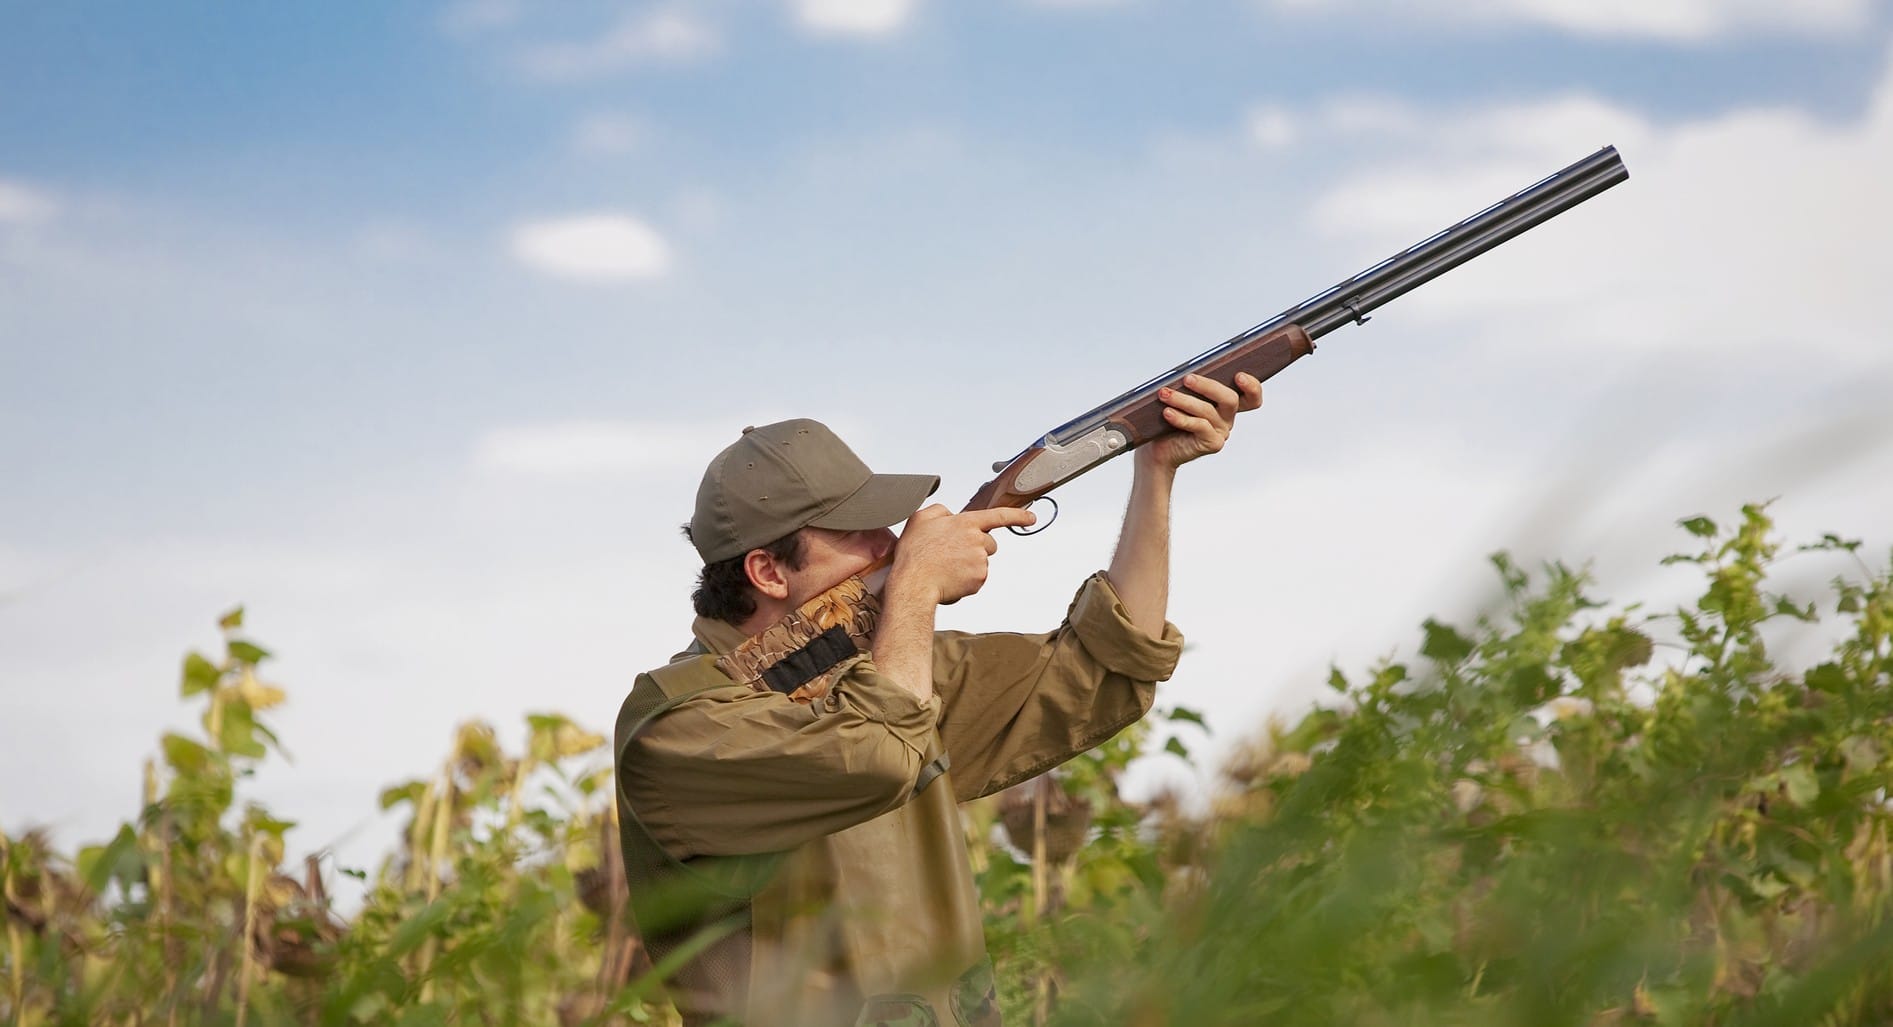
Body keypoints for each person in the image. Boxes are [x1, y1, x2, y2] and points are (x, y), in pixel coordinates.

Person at [613, 372, 1264, 1026]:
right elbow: (878, 751)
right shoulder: (677, 727)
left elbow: (1107, 668)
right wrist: (917, 589)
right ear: (767, 572)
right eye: (856, 531)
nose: (892, 544)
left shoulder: (888, 671)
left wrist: (1155, 471)